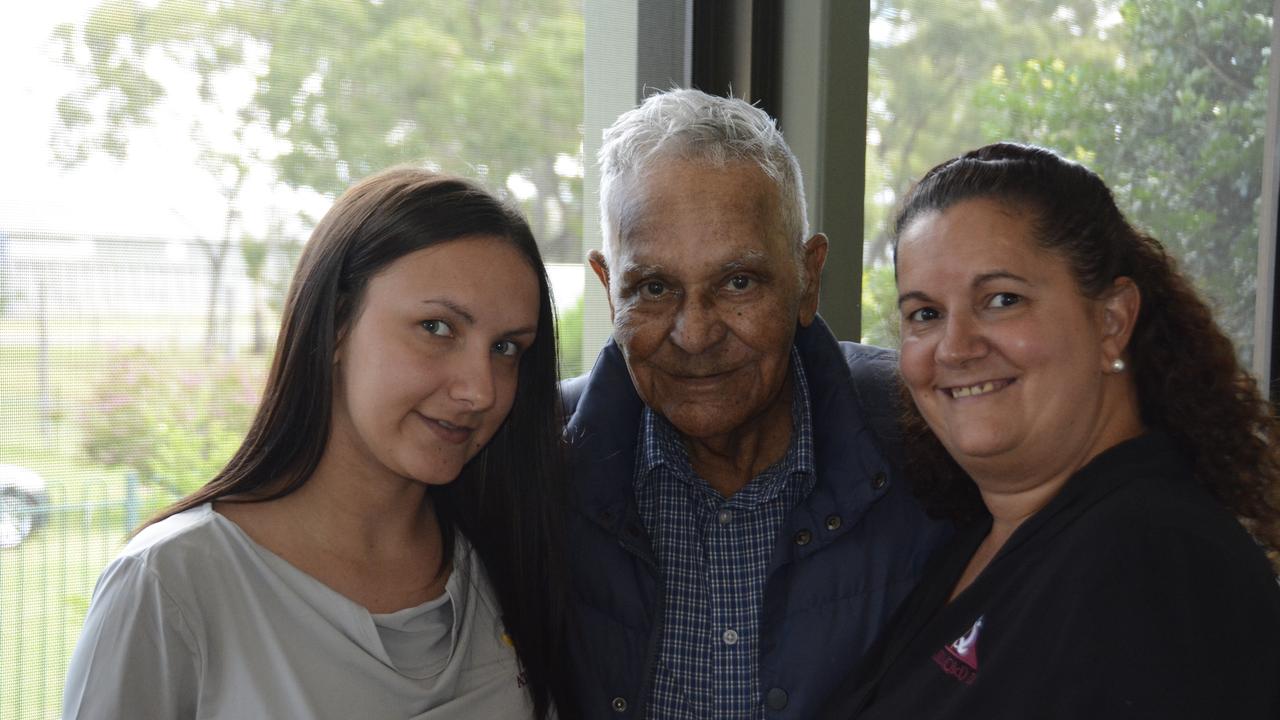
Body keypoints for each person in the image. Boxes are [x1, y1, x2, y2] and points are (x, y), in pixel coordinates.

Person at [63, 168, 574, 719]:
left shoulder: (511, 555)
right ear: (334, 324)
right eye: (437, 328)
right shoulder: (168, 586)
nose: (480, 390)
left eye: (505, 348)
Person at [819, 142, 1280, 719]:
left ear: (1111, 321)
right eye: (925, 314)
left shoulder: (1159, 563)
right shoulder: (989, 539)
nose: (956, 347)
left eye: (1002, 300)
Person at [561, 88, 951, 719]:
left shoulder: (928, 432)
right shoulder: (532, 463)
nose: (695, 334)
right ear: (610, 290)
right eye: (654, 287)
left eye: (737, 282)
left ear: (808, 277)